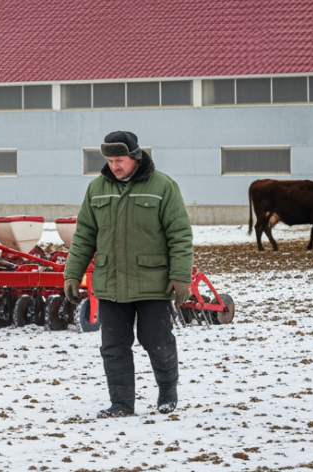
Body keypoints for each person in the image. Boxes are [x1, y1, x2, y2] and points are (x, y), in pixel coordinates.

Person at [63, 131, 193, 417]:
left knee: (157, 342)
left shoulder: (162, 186)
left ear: (135, 157)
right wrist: (72, 274)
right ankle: (121, 404)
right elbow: (84, 234)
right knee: (113, 347)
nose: (114, 166)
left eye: (119, 160)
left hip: (152, 282)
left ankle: (167, 391)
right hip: (111, 283)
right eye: (110, 160)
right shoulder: (97, 188)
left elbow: (179, 234)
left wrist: (181, 276)